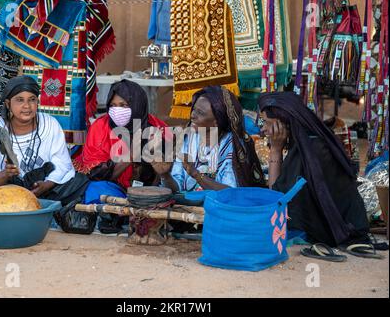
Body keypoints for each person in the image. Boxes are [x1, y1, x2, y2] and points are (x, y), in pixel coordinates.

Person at [258, 91, 378, 251]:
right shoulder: (308, 141)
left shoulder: (311, 149)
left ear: (283, 123)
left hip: (329, 228)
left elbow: (277, 199)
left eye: (266, 122)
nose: (263, 129)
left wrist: (275, 149)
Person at [0, 76, 89, 206]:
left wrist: (46, 185)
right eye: (19, 100)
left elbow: (61, 164)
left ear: (37, 102)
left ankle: (36, 206)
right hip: (8, 190)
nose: (27, 106)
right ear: (8, 104)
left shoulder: (50, 124)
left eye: (32, 100)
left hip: (42, 186)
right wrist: (6, 173)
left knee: (79, 182)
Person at [73, 79, 169, 233]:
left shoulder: (159, 128)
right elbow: (97, 174)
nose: (117, 110)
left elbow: (166, 173)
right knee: (95, 189)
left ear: (138, 104)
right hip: (114, 189)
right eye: (112, 106)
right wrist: (130, 156)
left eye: (124, 105)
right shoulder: (100, 127)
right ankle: (114, 217)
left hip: (150, 193)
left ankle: (132, 215)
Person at [152, 85, 265, 193]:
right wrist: (165, 175)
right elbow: (177, 187)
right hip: (187, 210)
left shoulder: (232, 145)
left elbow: (231, 193)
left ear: (217, 122)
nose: (192, 115)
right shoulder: (188, 139)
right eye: (194, 109)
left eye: (200, 113)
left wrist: (196, 174)